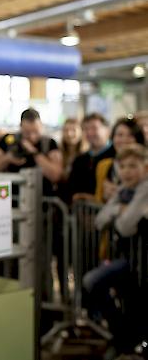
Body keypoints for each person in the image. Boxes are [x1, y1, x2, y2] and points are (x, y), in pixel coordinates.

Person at [83, 144, 148, 356]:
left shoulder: (144, 190)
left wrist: (117, 213)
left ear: (144, 168)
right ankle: (124, 339)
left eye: (133, 166)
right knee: (122, 297)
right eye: (123, 166)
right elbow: (100, 220)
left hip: (142, 260)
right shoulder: (122, 191)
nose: (127, 171)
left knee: (133, 302)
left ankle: (126, 341)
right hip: (129, 258)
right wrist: (119, 209)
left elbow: (125, 227)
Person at [0, 108, 63, 192]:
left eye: (36, 132)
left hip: (42, 197)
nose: (32, 137)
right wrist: (8, 158)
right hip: (12, 195)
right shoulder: (8, 140)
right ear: (21, 127)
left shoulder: (49, 143)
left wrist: (35, 153)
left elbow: (56, 175)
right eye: (27, 133)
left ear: (41, 125)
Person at [95, 118, 145, 203]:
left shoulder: (145, 165)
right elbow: (98, 200)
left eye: (130, 135)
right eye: (119, 135)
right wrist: (105, 196)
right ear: (113, 138)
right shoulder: (103, 165)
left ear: (138, 139)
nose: (124, 140)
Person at [68, 113, 115, 203]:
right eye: (85, 129)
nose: (89, 133)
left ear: (107, 130)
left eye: (94, 128)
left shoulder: (116, 156)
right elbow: (71, 188)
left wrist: (94, 199)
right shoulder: (79, 160)